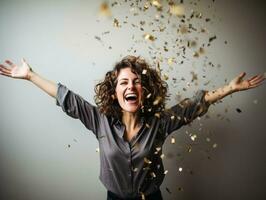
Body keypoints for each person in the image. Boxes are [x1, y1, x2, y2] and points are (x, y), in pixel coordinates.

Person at [0, 56, 265, 200]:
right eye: (123, 82)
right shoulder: (99, 120)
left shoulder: (159, 124)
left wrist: (229, 89)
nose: (130, 86)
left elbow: (193, 106)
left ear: (144, 91)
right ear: (114, 92)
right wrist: (30, 75)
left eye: (136, 82)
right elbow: (67, 98)